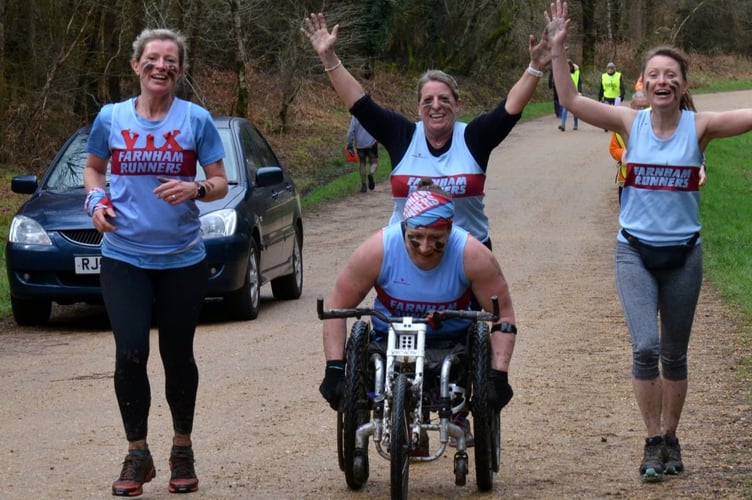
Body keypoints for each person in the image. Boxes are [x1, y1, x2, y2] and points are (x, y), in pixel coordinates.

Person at [546, 0, 752, 482]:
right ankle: (651, 439)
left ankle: (672, 439)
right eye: (654, 74)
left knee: (675, 354)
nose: (662, 81)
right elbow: (572, 102)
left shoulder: (700, 127)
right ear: (642, 82)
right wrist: (558, 50)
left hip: (684, 257)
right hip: (634, 251)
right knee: (645, 346)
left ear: (683, 85)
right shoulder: (628, 123)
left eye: (671, 75)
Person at [83, 27, 228, 496]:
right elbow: (93, 169)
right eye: (153, 58)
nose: (161, 66)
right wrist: (95, 205)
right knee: (130, 352)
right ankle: (137, 453)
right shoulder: (111, 117)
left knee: (176, 355)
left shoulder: (196, 120)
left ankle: (181, 448)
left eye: (171, 60)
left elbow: (220, 181)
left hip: (182, 258)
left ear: (180, 70)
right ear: (136, 65)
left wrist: (196, 189)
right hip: (124, 255)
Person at [302, 12, 551, 249]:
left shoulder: (474, 137)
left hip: (468, 256)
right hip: (407, 254)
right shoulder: (403, 135)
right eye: (428, 100)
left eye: (444, 99)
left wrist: (535, 66)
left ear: (458, 104)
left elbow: (510, 108)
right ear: (418, 107)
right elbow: (360, 104)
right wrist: (329, 58)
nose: (436, 106)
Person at [318, 183, 517, 448]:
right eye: (415, 238)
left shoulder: (472, 255)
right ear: (404, 227)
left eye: (437, 241)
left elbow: (503, 316)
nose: (425, 248)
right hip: (389, 337)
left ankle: (456, 412)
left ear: (450, 230)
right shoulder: (377, 250)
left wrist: (498, 376)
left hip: (451, 341)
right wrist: (334, 369)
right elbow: (336, 307)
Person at [346, 115, 379, 192]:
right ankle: (371, 173)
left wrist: (349, 143)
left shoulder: (355, 116)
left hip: (360, 144)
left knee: (362, 163)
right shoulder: (372, 112)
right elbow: (378, 126)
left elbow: (351, 131)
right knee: (374, 162)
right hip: (372, 143)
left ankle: (364, 185)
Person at [558, 58, 581, 131]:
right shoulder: (564, 73)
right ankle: (563, 125)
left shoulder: (577, 72)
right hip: (567, 93)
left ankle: (575, 124)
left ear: (571, 66)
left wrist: (580, 91)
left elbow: (579, 83)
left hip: (575, 93)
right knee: (565, 109)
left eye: (568, 66)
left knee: (575, 110)